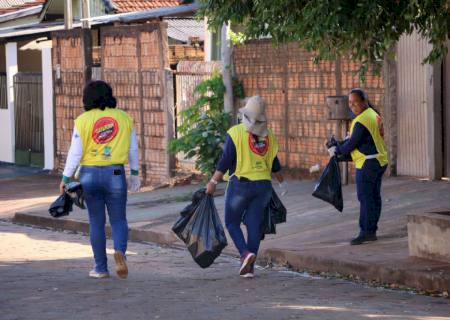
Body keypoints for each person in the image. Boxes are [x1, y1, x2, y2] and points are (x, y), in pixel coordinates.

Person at [59, 80, 140, 279]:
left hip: (89, 174)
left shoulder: (82, 120)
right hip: (115, 174)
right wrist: (135, 174)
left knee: (96, 221)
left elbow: (75, 153)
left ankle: (100, 268)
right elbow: (133, 149)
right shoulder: (124, 118)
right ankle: (120, 252)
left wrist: (65, 177)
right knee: (119, 219)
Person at [206, 96, 286, 278]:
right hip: (264, 187)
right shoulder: (270, 136)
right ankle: (249, 268)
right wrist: (282, 182)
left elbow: (225, 161)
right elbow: (274, 163)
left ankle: (244, 254)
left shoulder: (235, 133)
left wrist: (213, 182)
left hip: (240, 186)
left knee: (232, 222)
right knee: (254, 226)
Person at [328, 88, 388, 245]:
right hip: (378, 160)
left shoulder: (362, 120)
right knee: (374, 197)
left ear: (364, 101)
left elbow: (353, 143)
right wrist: (340, 145)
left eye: (355, 102)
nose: (352, 105)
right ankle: (372, 230)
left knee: (366, 198)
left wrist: (337, 149)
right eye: (350, 102)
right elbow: (358, 140)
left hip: (368, 163)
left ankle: (366, 232)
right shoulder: (372, 115)